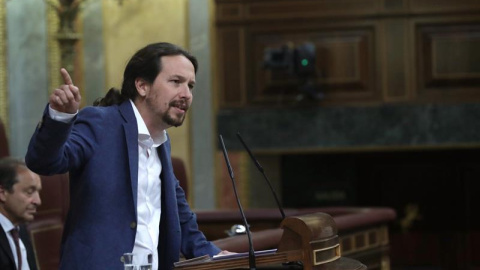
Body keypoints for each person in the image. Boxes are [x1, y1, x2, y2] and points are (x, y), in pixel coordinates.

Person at [25, 42, 227, 270]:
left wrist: (217, 256)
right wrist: (60, 118)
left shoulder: (161, 141)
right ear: (142, 85)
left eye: (190, 86)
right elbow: (43, 162)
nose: (186, 94)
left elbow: (178, 213)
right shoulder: (100, 123)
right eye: (176, 82)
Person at [0, 157, 41, 270]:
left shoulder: (19, 228)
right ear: (2, 193)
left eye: (38, 192)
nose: (38, 201)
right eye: (29, 192)